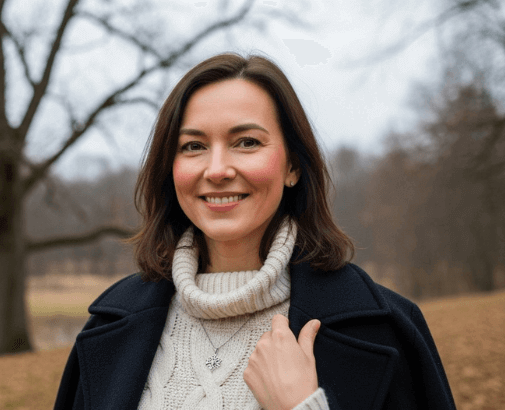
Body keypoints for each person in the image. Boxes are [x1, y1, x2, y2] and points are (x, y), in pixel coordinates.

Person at [53, 53, 456, 410]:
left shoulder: (385, 329)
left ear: (293, 166)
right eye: (193, 146)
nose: (217, 170)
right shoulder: (109, 328)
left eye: (246, 142)